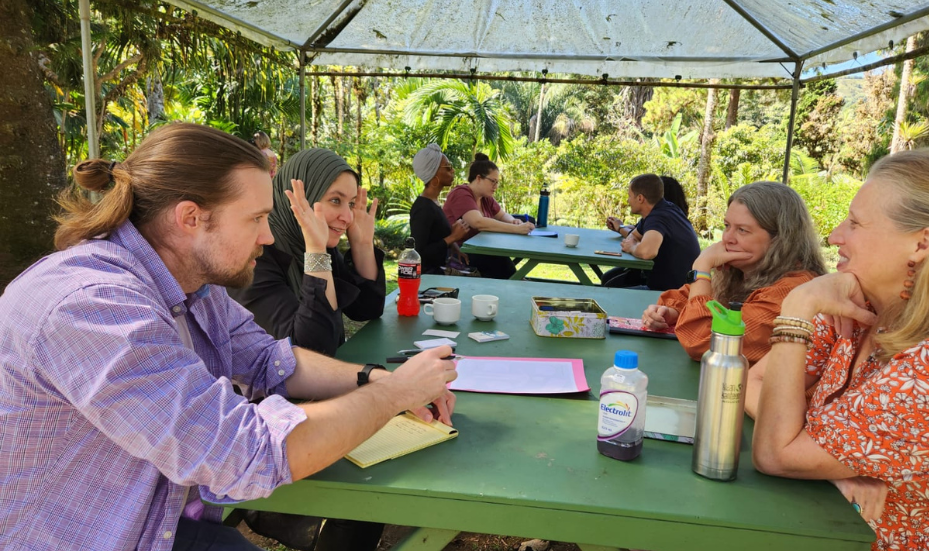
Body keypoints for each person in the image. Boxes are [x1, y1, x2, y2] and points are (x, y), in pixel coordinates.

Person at [0, 122, 457, 551]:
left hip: (156, 516)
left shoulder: (190, 283)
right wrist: (394, 393)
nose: (266, 236)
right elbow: (241, 453)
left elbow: (267, 359)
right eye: (256, 218)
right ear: (191, 218)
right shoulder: (94, 309)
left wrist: (374, 379)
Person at [750, 149, 929, 550]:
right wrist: (828, 464)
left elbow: (775, 452)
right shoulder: (862, 311)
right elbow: (754, 380)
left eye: (855, 223)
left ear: (921, 244)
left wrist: (798, 307)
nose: (834, 235)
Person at [641, 181, 825, 363]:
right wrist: (670, 311)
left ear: (781, 239)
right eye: (727, 226)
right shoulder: (743, 271)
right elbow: (687, 297)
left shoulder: (790, 294)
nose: (728, 238)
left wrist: (702, 268)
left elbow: (700, 342)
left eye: (742, 230)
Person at [229, 148, 385, 358]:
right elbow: (311, 351)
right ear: (303, 197)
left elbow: (367, 309)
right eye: (336, 201)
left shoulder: (319, 245)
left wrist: (363, 244)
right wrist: (316, 254)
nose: (348, 217)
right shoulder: (256, 256)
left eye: (350, 203)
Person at [442, 152, 535, 279]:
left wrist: (514, 221)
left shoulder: (486, 198)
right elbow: (478, 222)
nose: (495, 186)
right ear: (479, 178)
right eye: (493, 181)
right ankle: (519, 283)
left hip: (482, 252)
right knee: (501, 263)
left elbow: (502, 215)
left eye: (497, 182)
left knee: (500, 261)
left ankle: (519, 281)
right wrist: (516, 229)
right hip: (459, 255)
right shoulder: (461, 194)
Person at [603, 173, 700, 290]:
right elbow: (632, 237)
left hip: (673, 292)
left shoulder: (658, 217)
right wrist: (634, 243)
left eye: (629, 196)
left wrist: (633, 247)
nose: (628, 201)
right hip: (668, 284)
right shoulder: (661, 211)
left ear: (640, 198)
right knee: (609, 282)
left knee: (610, 293)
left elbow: (647, 252)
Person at [409, 144, 470, 274]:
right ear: (434, 174)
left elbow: (435, 237)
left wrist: (454, 247)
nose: (452, 171)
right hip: (428, 278)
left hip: (438, 272)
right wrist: (453, 237)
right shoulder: (423, 209)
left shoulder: (433, 202)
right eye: (448, 168)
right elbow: (419, 253)